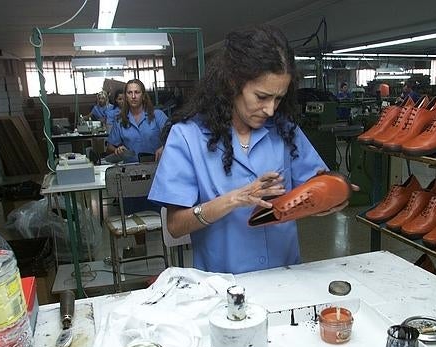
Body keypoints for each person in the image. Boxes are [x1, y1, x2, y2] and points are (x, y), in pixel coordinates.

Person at [148, 24, 354, 274]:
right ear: (233, 83)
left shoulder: (284, 131)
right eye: (261, 96)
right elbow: (176, 225)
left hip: (285, 275)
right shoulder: (187, 137)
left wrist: (330, 196)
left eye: (278, 98)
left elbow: (313, 187)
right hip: (224, 286)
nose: (270, 110)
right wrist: (234, 200)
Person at [106, 79, 167, 162]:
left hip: (156, 168)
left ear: (143, 96)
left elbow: (174, 137)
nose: (133, 96)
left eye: (137, 92)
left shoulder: (157, 115)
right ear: (126, 97)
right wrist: (117, 150)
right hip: (131, 169)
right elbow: (110, 146)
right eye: (129, 93)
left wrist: (163, 147)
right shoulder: (120, 120)